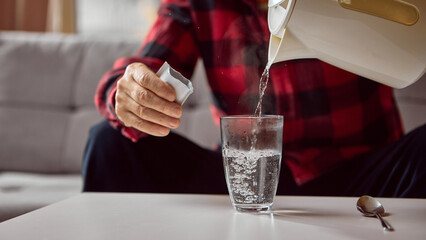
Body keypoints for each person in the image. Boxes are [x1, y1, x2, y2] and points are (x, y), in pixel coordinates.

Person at [82, 0, 425, 197]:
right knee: (108, 142)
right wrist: (126, 93)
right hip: (242, 180)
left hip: (359, 174)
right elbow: (147, 66)